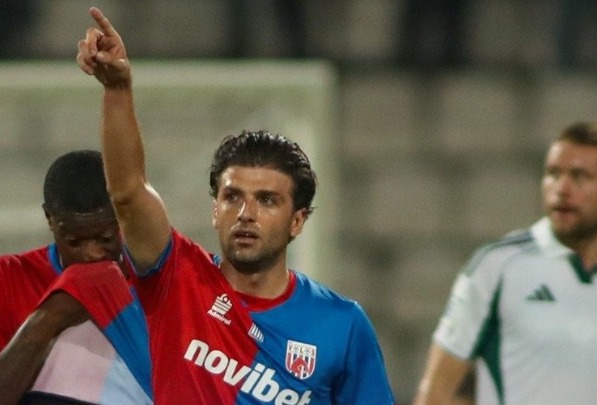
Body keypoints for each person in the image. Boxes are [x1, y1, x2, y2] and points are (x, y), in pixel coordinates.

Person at [77, 7, 395, 404]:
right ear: (215, 210)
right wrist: (117, 89)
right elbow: (127, 194)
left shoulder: (341, 326)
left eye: (267, 200)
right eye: (232, 197)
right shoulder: (177, 278)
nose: (246, 213)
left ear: (297, 221)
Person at [413, 121, 597, 405]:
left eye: (580, 176)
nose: (562, 188)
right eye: (553, 174)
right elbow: (435, 392)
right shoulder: (496, 268)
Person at [0, 150, 152, 404]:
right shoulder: (8, 280)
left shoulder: (160, 282)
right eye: (74, 241)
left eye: (105, 238)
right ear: (50, 219)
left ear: (122, 217)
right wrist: (49, 318)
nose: (92, 254)